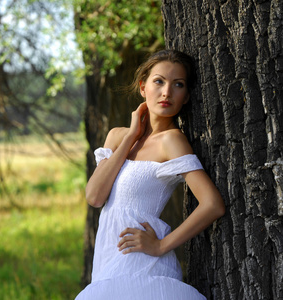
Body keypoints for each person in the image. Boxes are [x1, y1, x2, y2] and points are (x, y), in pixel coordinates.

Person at [75, 50, 225, 300]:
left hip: (142, 261)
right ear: (143, 86)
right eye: (159, 81)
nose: (167, 92)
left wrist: (161, 246)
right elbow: (95, 196)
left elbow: (212, 205)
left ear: (186, 96)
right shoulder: (117, 136)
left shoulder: (172, 141)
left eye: (178, 85)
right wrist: (132, 136)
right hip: (107, 258)